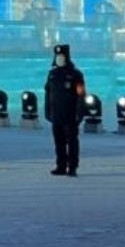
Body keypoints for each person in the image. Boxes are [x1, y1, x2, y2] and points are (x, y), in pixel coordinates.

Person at [44, 43, 86, 176]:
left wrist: (79, 113)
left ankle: (72, 166)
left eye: (61, 56)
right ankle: (61, 165)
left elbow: (81, 94)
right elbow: (48, 93)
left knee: (72, 141)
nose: (59, 58)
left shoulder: (76, 75)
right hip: (57, 114)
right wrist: (47, 111)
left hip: (70, 114)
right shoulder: (52, 75)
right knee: (59, 142)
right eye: (57, 56)